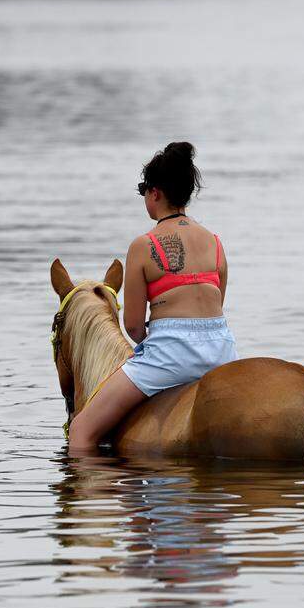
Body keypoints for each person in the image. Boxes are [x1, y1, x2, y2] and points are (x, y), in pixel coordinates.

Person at [66, 142, 237, 451]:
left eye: (144, 191)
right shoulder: (215, 243)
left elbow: (132, 326)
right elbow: (216, 307)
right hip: (221, 354)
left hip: (171, 355)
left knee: (81, 431)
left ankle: (121, 496)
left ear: (155, 193)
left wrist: (154, 341)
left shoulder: (144, 246)